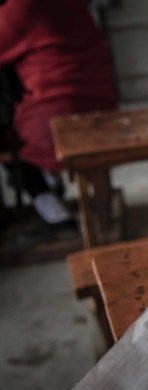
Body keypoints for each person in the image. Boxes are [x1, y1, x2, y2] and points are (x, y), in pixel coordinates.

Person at [0, 0, 116, 232]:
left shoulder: (19, 9)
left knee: (6, 135)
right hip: (102, 103)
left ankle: (43, 196)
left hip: (57, 115)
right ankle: (51, 183)